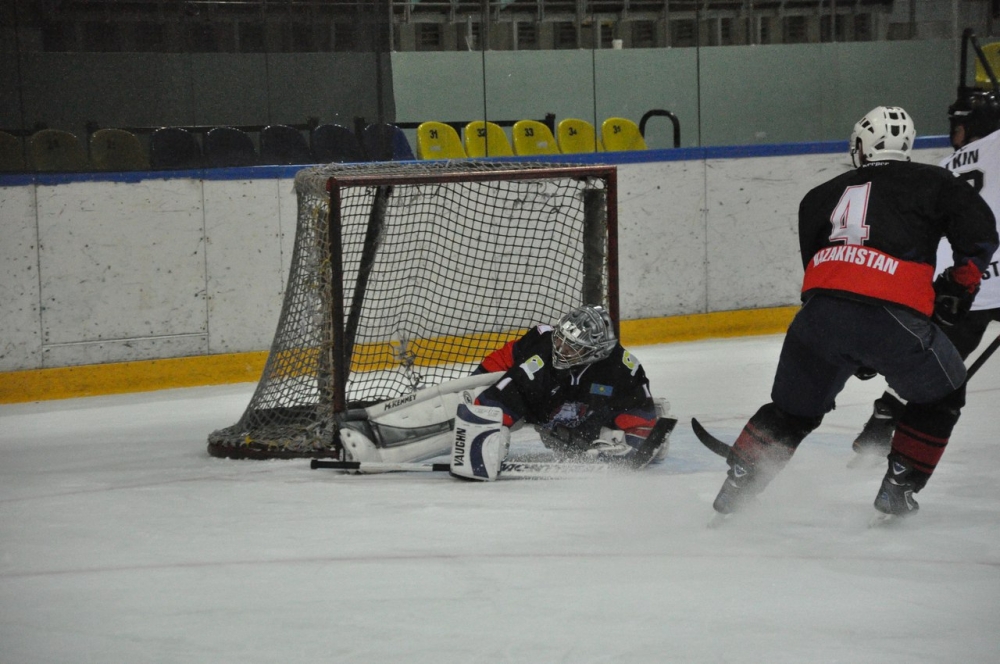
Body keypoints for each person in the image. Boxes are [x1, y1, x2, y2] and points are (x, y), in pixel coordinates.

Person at [707, 106, 998, 520]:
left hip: (817, 321)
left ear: (861, 146)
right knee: (944, 393)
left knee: (792, 411)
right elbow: (980, 235)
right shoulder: (934, 181)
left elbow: (818, 273)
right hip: (893, 317)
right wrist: (958, 287)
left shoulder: (817, 196)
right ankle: (899, 485)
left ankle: (740, 480)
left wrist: (849, 345)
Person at [851, 90, 1000, 458]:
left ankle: (883, 421)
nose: (954, 132)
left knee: (934, 365)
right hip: (986, 273)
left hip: (963, 284)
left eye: (958, 125)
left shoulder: (945, 167)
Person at [449, 304, 669, 481]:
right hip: (540, 408)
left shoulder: (620, 368)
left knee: (580, 448)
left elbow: (636, 408)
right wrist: (482, 434)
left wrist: (639, 439)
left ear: (595, 352)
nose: (560, 349)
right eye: (560, 339)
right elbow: (507, 392)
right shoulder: (540, 357)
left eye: (571, 347)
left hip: (584, 415)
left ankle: (638, 420)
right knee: (476, 402)